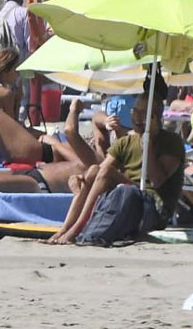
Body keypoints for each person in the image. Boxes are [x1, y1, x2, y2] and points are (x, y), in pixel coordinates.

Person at [48, 81, 185, 244]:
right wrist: (82, 179)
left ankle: (76, 230)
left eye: (145, 114)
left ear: (156, 117)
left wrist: (148, 143)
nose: (138, 117)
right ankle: (64, 229)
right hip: (128, 197)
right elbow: (99, 171)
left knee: (106, 173)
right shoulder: (126, 142)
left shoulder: (171, 142)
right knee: (93, 170)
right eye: (136, 112)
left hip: (155, 207)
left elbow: (157, 181)